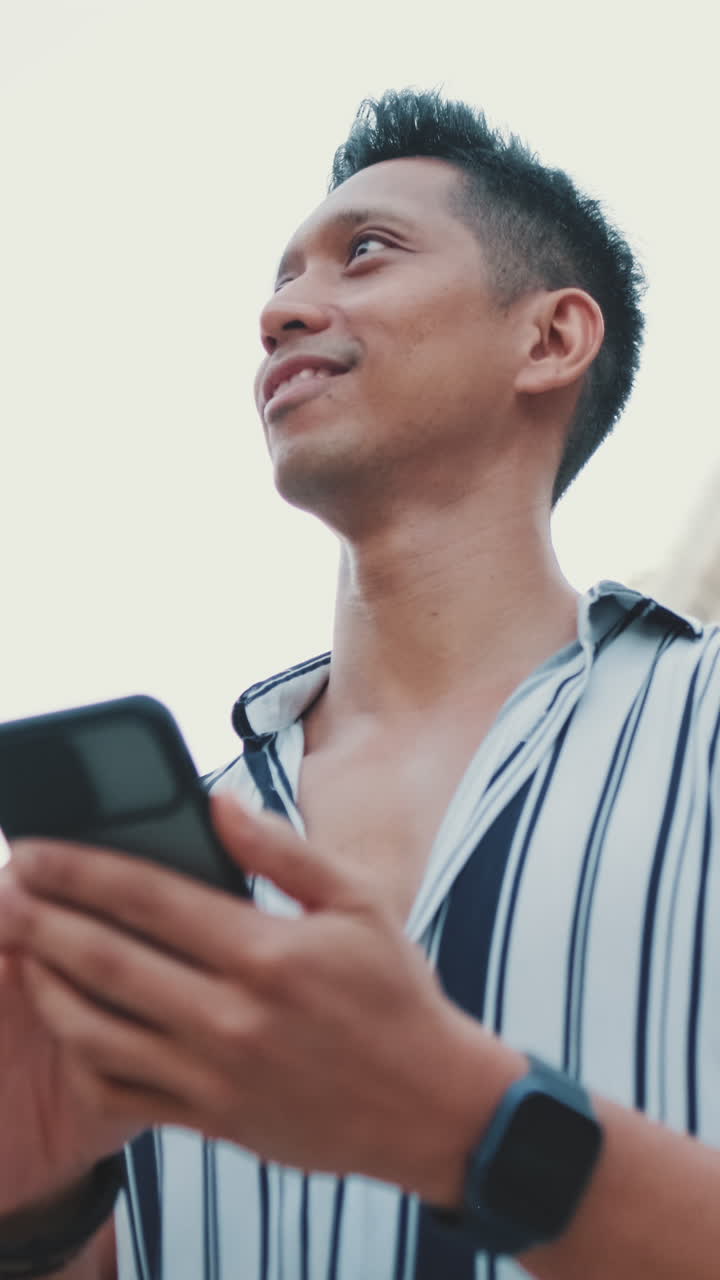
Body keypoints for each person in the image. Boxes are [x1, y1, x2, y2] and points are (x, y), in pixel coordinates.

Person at [1, 87, 719, 1280]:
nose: (281, 311)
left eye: (366, 253)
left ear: (549, 338)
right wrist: (32, 1207)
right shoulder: (186, 846)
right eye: (280, 283)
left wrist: (467, 1126)